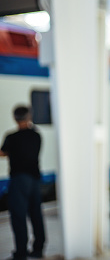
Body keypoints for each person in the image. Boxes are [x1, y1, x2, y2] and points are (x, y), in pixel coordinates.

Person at [0, 105, 46, 260]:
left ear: (15, 118)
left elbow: (2, 153)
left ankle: (21, 252)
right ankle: (38, 249)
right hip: (35, 180)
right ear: (29, 117)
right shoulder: (36, 136)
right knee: (36, 215)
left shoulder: (11, 137)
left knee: (18, 217)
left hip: (19, 180)